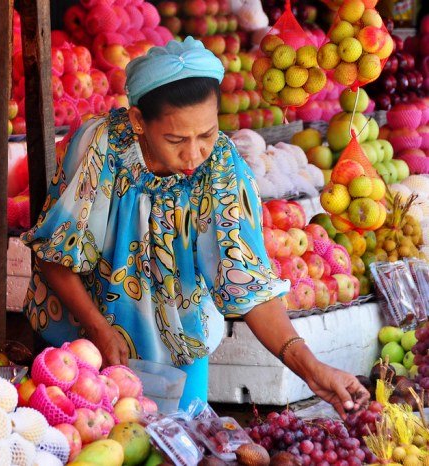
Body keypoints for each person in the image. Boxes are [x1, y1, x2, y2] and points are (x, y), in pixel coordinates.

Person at [21, 37, 369, 417]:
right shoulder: (100, 147)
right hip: (82, 345)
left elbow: (248, 282)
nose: (193, 154)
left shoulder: (220, 166)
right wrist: (97, 328)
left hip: (178, 349)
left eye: (206, 134)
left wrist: (312, 369)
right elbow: (55, 253)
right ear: (138, 121)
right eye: (176, 139)